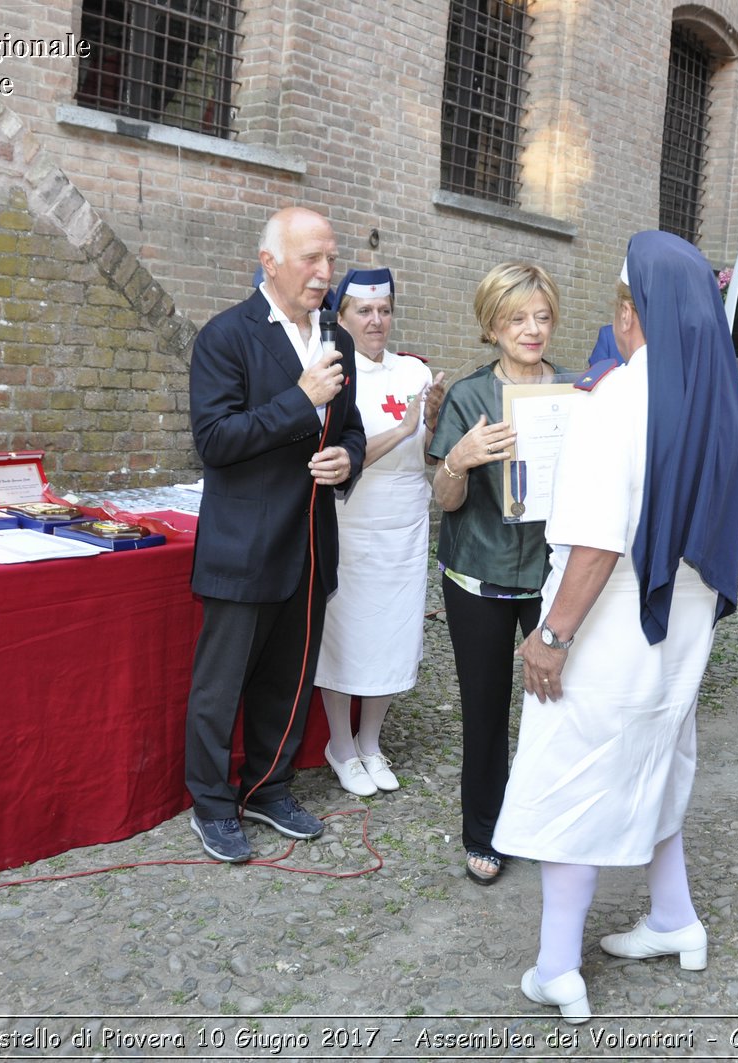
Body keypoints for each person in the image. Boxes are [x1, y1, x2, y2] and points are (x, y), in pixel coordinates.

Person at [491, 231, 738, 1024]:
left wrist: (552, 635)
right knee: (657, 760)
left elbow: (599, 539)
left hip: (613, 620)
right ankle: (675, 919)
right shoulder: (717, 397)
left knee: (574, 771)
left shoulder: (617, 401)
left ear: (633, 312)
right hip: (682, 625)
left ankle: (557, 965)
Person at [184, 206, 367, 863]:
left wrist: (349, 459)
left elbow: (351, 428)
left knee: (289, 679)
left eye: (329, 258)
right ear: (269, 262)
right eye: (310, 259)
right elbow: (216, 439)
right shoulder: (226, 337)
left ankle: (267, 786)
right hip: (243, 543)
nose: (325, 273)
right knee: (222, 683)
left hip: (311, 541)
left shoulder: (337, 341)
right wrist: (299, 399)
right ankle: (212, 803)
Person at [426, 261, 559, 886]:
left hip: (554, 573)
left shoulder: (576, 393)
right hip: (478, 574)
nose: (532, 329)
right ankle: (484, 829)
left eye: (541, 317)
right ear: (492, 326)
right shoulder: (470, 396)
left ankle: (544, 819)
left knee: (555, 704)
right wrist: (458, 459)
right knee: (485, 709)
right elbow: (446, 501)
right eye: (517, 319)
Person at [314, 267, 445, 796]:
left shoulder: (414, 371)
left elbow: (429, 452)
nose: (377, 321)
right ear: (342, 316)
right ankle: (340, 745)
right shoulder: (330, 373)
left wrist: (432, 421)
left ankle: (371, 742)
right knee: (347, 637)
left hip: (406, 523)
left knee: (393, 634)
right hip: (351, 523)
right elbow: (338, 456)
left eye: (385, 310)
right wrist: (405, 428)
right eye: (364, 311)